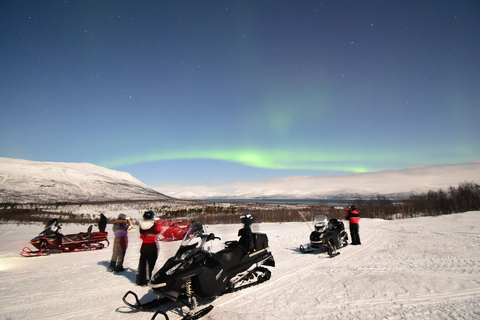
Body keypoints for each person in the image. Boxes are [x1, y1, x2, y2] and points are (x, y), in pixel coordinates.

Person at [136, 211, 163, 286]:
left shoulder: (141, 225)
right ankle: (149, 279)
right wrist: (159, 222)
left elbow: (141, 232)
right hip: (152, 246)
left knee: (143, 263)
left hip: (144, 245)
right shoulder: (154, 225)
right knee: (151, 264)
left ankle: (141, 280)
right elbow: (159, 231)